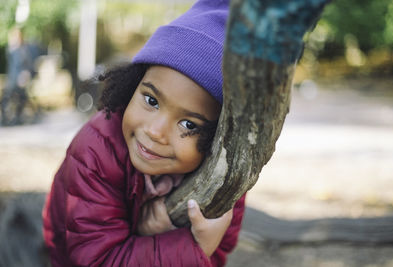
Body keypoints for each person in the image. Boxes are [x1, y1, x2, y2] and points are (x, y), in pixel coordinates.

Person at [42, 0, 246, 266]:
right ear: (133, 85)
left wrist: (189, 242)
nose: (155, 131)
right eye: (151, 100)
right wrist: (197, 246)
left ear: (218, 137)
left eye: (189, 125)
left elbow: (220, 248)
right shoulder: (96, 150)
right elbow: (95, 259)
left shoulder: (224, 175)